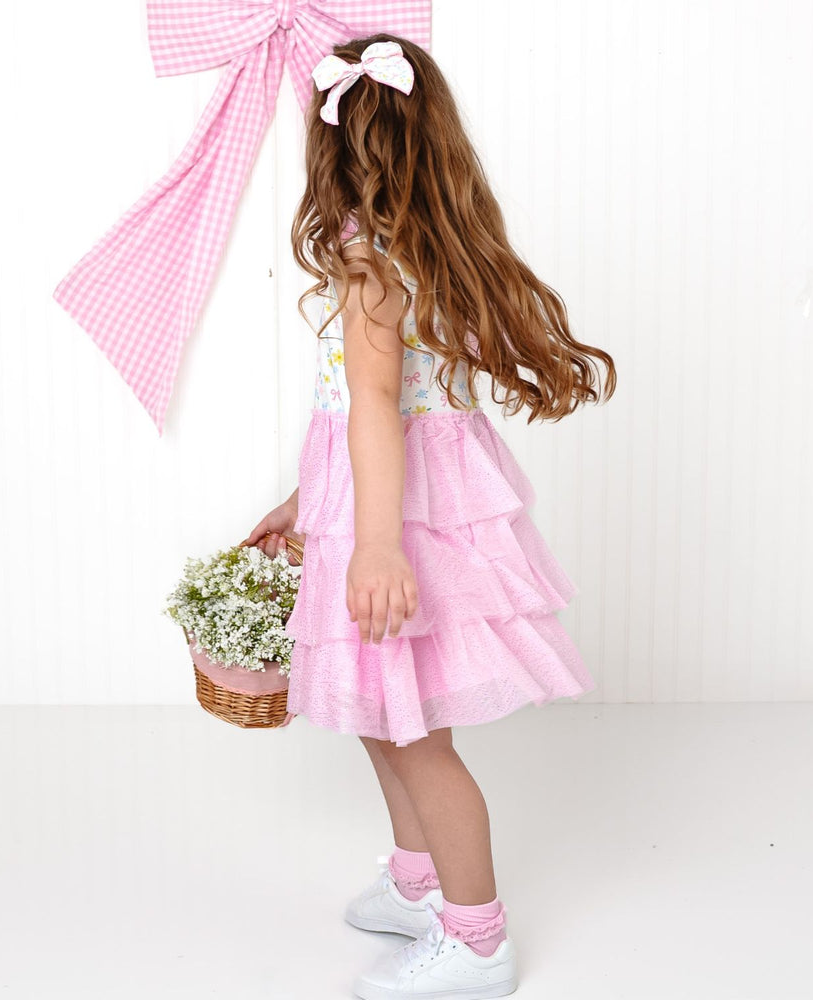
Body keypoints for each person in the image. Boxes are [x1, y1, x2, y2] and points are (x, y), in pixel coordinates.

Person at [241, 34, 616, 1000]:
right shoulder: (424, 252)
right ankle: (419, 884)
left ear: (332, 154)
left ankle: (478, 940)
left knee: (416, 737)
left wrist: (371, 544)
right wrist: (307, 504)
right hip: (395, 505)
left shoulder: (372, 266)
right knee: (386, 716)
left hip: (399, 526)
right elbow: (368, 414)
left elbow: (377, 407)